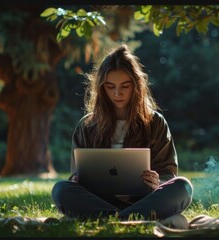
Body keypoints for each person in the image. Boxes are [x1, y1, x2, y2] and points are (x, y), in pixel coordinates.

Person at [52, 44, 193, 224]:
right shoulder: (87, 125)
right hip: (97, 201)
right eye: (110, 86)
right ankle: (129, 220)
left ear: (136, 86)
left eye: (124, 86)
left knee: (183, 187)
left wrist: (158, 181)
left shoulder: (155, 122)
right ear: (102, 88)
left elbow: (168, 173)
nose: (117, 93)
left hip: (145, 201)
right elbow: (75, 176)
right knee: (61, 189)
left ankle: (111, 220)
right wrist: (77, 180)